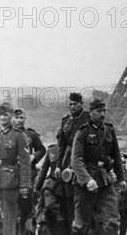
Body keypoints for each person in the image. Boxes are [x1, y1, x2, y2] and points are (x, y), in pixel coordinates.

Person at [71, 97, 125, 234]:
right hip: (86, 183)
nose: (102, 114)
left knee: (112, 222)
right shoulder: (82, 132)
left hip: (105, 181)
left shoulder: (109, 131)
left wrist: (121, 178)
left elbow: (116, 156)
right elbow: (76, 160)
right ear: (91, 112)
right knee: (81, 225)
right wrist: (87, 179)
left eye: (104, 111)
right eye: (99, 111)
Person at [55, 91, 90, 232]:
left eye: (75, 104)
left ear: (81, 104)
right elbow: (61, 146)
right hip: (67, 163)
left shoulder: (88, 119)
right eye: (70, 104)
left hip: (84, 160)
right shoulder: (66, 121)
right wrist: (58, 166)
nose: (72, 107)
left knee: (83, 200)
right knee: (68, 200)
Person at [0, 101, 31, 235]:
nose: (2, 118)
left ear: (11, 116)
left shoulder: (18, 135)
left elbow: (25, 163)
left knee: (9, 220)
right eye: (0, 115)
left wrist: (25, 185)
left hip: (10, 182)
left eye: (5, 115)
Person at [13, 107, 46, 235]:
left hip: (28, 177)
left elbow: (42, 149)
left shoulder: (31, 135)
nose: (19, 120)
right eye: (16, 117)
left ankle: (28, 231)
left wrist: (33, 157)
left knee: (28, 207)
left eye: (21, 118)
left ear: (25, 119)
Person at [35, 130, 66, 235]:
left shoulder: (72, 151)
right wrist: (38, 187)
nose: (60, 141)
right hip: (52, 185)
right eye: (59, 138)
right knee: (49, 207)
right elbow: (44, 169)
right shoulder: (52, 150)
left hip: (67, 186)